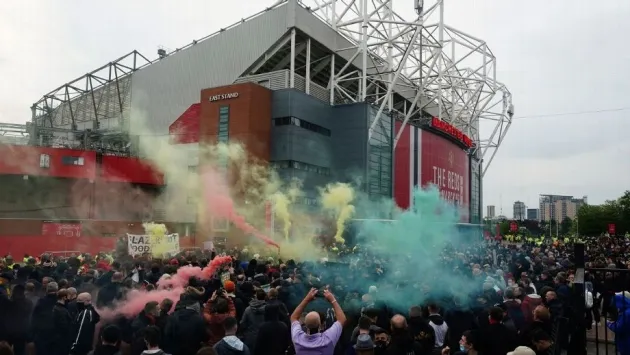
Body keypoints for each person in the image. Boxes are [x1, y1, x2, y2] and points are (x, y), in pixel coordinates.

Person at [290, 288, 346, 355]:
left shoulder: (297, 338)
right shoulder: (328, 339)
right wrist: (332, 299)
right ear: (321, 325)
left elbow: (294, 317)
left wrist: (307, 299)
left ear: (305, 324)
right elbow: (342, 319)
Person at [240, 289, 267, 354]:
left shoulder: (248, 309)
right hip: (265, 337)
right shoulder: (268, 308)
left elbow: (242, 323)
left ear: (256, 296)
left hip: (251, 337)